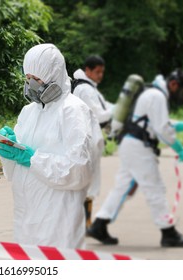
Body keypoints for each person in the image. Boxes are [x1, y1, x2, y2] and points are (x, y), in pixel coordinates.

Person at [0, 44, 104, 249]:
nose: (30, 85)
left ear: (53, 76)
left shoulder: (73, 110)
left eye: (36, 79)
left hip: (58, 221)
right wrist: (8, 149)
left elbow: (79, 170)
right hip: (26, 217)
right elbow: (15, 169)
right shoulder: (29, 112)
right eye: (27, 78)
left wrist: (32, 158)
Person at [88, 69, 183, 247]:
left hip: (131, 144)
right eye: (181, 91)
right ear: (173, 84)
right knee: (155, 188)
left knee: (123, 187)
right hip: (139, 147)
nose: (181, 95)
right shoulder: (157, 96)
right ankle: (168, 232)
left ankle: (99, 224)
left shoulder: (152, 93)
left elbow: (155, 122)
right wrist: (179, 148)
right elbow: (162, 128)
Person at [72, 55, 114, 230]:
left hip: (86, 141)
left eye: (102, 72)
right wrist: (122, 109)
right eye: (97, 72)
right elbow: (99, 115)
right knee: (87, 184)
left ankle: (83, 223)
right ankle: (83, 224)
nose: (100, 75)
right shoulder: (86, 90)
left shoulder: (87, 87)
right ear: (87, 70)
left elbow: (104, 109)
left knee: (86, 184)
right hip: (87, 142)